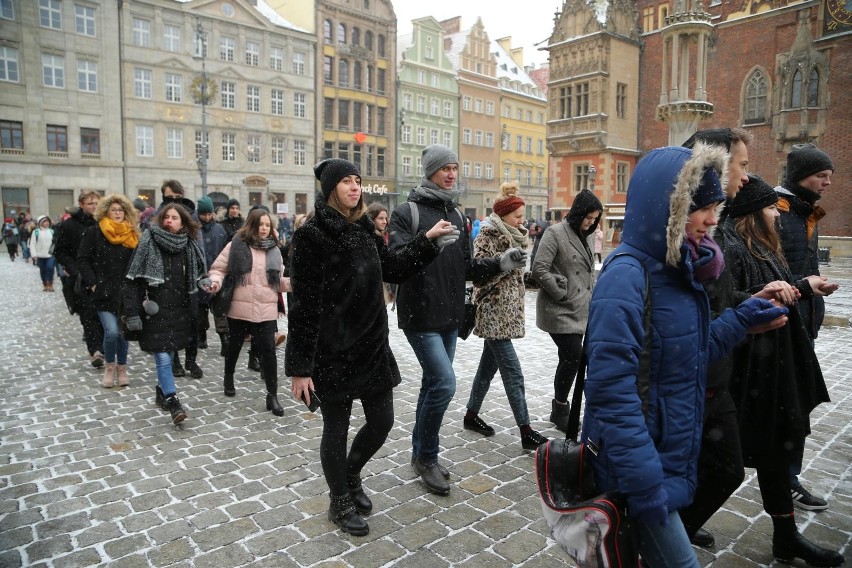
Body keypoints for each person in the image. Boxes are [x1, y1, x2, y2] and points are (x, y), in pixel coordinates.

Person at [580, 143, 788, 567]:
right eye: (702, 208)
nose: (714, 220)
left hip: (665, 461)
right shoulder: (627, 275)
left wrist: (742, 318)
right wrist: (646, 484)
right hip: (637, 472)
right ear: (669, 209)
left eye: (716, 207)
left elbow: (688, 355)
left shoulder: (679, 269)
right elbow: (610, 391)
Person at [286, 158, 456, 536]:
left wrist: (427, 243)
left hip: (372, 346)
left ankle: (349, 474)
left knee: (383, 422)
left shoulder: (363, 228)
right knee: (336, 427)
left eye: (357, 181)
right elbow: (304, 305)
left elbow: (392, 268)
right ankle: (339, 499)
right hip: (332, 350)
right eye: (346, 181)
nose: (354, 187)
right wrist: (300, 367)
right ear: (331, 189)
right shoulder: (313, 235)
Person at [715, 175, 842, 567]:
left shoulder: (765, 248)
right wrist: (767, 295)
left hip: (775, 369)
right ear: (754, 214)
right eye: (770, 208)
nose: (776, 214)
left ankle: (785, 537)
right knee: (724, 463)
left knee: (776, 452)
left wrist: (804, 285)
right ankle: (681, 526)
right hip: (749, 370)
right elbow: (727, 300)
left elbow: (777, 288)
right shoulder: (731, 248)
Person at [388, 144, 524, 496]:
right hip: (419, 314)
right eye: (445, 167)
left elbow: (468, 269)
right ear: (430, 170)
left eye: (455, 167)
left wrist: (501, 262)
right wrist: (428, 241)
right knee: (445, 383)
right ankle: (429, 457)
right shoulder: (407, 212)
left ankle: (419, 454)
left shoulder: (459, 215)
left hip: (449, 314)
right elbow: (397, 262)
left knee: (432, 384)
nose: (451, 173)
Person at [678, 127, 765, 547]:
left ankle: (677, 526)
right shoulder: (677, 247)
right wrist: (744, 319)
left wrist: (755, 305)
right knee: (721, 467)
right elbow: (689, 332)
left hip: (713, 375)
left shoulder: (713, 235)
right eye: (742, 166)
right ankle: (671, 530)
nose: (746, 177)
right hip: (698, 379)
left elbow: (720, 303)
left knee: (717, 467)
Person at [462, 181, 547, 450]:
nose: (523, 222)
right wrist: (503, 264)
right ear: (503, 215)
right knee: (514, 373)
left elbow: (516, 280)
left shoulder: (517, 236)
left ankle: (470, 415)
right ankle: (526, 430)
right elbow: (478, 278)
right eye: (518, 216)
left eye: (523, 216)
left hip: (507, 314)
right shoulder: (487, 234)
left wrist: (538, 280)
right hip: (492, 313)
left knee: (486, 370)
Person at [775, 143, 835, 511]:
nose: (827, 182)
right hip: (782, 321)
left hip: (804, 321)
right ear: (801, 176)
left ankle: (785, 476)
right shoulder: (779, 212)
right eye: (821, 176)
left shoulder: (805, 212)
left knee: (796, 405)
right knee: (791, 406)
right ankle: (784, 477)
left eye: (830, 176)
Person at [123, 203, 208, 425]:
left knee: (169, 354)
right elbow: (132, 280)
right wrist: (132, 313)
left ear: (183, 222)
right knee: (162, 355)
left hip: (180, 309)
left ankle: (161, 391)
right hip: (155, 310)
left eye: (175, 218)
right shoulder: (147, 242)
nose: (169, 221)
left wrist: (204, 280)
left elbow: (197, 273)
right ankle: (173, 401)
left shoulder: (189, 245)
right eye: (166, 217)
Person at [531, 189, 602, 433]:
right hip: (558, 308)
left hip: (581, 308)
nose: (591, 223)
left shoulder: (588, 235)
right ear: (578, 213)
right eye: (588, 218)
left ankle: (560, 408)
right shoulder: (555, 233)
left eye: (595, 219)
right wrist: (561, 293)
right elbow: (539, 268)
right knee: (574, 355)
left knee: (570, 358)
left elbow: (587, 271)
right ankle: (561, 408)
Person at [208, 208, 290, 416]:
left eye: (267, 225)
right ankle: (229, 376)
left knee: (269, 354)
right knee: (234, 347)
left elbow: (276, 283)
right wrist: (215, 283)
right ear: (252, 225)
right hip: (239, 309)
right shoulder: (236, 244)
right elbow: (218, 269)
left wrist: (295, 283)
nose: (263, 229)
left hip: (266, 310)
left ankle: (272, 395)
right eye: (260, 224)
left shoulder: (275, 251)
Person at [76, 195, 140, 388]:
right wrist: (93, 282)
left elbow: (138, 262)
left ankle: (122, 368)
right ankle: (109, 366)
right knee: (111, 332)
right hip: (103, 291)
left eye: (121, 210)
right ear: (105, 211)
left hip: (126, 292)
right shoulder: (95, 232)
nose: (118, 213)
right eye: (113, 210)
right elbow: (83, 259)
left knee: (123, 333)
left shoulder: (133, 233)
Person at [53, 190, 105, 368]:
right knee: (88, 315)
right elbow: (60, 251)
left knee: (103, 313)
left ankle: (103, 346)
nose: (94, 206)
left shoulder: (104, 222)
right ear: (82, 204)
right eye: (90, 203)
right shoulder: (70, 225)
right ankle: (95, 350)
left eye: (96, 202)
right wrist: (74, 270)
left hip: (103, 275)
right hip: (80, 278)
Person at [196, 196, 229, 356]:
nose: (207, 217)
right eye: (204, 214)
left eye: (209, 214)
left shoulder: (219, 230)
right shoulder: (195, 230)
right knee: (201, 311)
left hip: (218, 274)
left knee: (220, 311)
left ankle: (224, 339)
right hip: (200, 276)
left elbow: (224, 252)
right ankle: (201, 335)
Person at [367, 203, 395, 304]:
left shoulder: (382, 235)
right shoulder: (370, 237)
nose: (385, 222)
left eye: (386, 218)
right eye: (381, 218)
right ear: (372, 219)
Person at [29, 216, 56, 291]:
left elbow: (54, 243)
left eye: (47, 221)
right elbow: (32, 244)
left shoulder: (52, 231)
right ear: (40, 222)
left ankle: (50, 283)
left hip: (50, 254)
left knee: (50, 268)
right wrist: (34, 254)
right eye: (44, 221)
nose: (46, 223)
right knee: (43, 270)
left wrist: (54, 252)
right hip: (40, 255)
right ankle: (45, 283)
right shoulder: (36, 232)